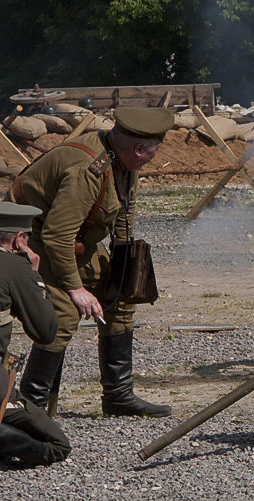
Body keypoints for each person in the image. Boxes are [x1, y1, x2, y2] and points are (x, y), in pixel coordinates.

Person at [7, 106, 174, 417]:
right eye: (155, 149)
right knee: (63, 314)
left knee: (120, 297)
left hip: (75, 240)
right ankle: (31, 408)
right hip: (33, 238)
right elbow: (57, 237)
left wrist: (124, 264)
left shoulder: (123, 159)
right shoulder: (88, 170)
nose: (157, 153)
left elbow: (124, 210)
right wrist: (75, 289)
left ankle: (118, 396)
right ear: (139, 149)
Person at [0, 202, 71, 466]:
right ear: (19, 240)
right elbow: (45, 332)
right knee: (57, 446)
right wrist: (34, 276)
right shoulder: (13, 267)